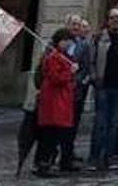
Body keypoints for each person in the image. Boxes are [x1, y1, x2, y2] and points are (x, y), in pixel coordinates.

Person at [89, 8, 118, 171]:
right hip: (103, 86)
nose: (116, 20)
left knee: (115, 124)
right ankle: (95, 157)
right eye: (113, 17)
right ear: (107, 20)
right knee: (100, 123)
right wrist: (94, 76)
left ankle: (110, 156)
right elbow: (91, 60)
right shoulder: (99, 37)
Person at [35, 29, 78, 177]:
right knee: (50, 134)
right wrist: (70, 72)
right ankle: (44, 164)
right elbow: (55, 78)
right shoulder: (53, 57)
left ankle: (48, 163)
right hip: (54, 100)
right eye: (67, 41)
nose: (69, 44)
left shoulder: (63, 56)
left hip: (61, 99)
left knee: (55, 134)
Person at [64, 14, 91, 168]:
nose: (76, 27)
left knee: (72, 125)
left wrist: (79, 81)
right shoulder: (58, 42)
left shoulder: (83, 45)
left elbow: (86, 68)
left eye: (78, 25)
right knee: (56, 126)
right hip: (60, 92)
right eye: (73, 24)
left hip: (76, 91)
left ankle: (67, 157)